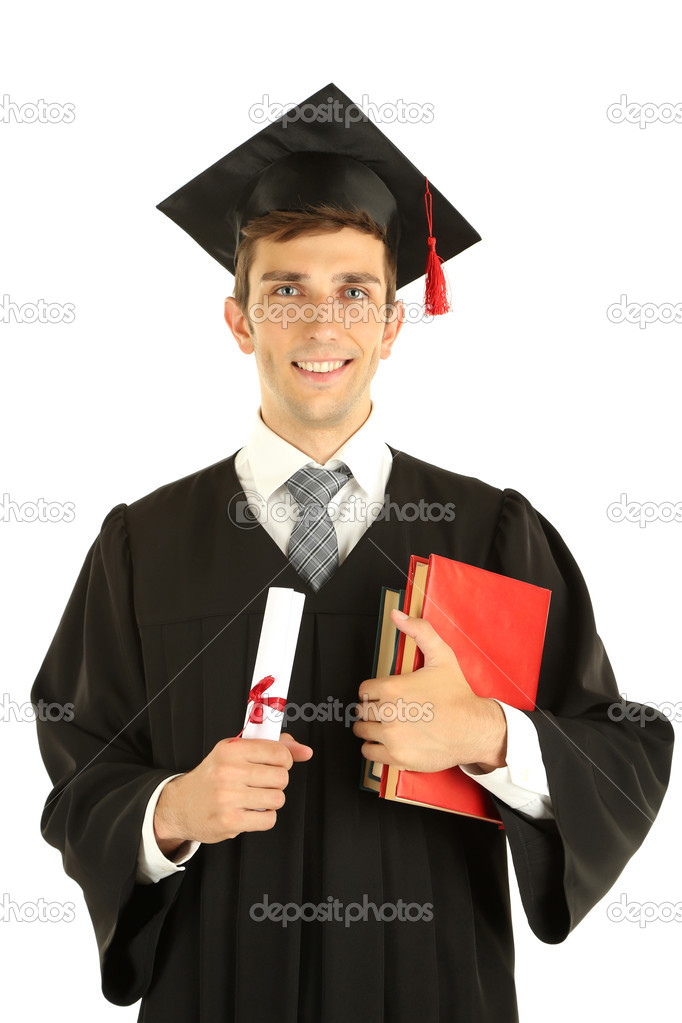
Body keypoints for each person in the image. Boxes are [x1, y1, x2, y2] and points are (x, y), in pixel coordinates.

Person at [31, 83, 674, 1023]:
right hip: (217, 992)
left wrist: (487, 736)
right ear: (240, 320)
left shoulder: (491, 530)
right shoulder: (143, 543)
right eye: (285, 290)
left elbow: (626, 752)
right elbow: (80, 764)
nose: (321, 323)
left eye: (354, 292)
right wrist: (169, 810)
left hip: (435, 989)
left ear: (391, 324)